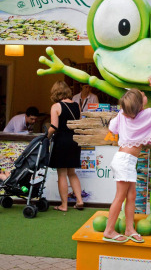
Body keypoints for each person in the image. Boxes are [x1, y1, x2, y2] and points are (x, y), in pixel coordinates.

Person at [103, 75, 151, 243]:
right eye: (143, 95)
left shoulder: (122, 115)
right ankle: (109, 230)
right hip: (125, 161)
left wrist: (122, 115)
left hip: (125, 159)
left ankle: (129, 228)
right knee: (120, 196)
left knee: (131, 195)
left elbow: (112, 128)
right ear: (141, 105)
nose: (145, 94)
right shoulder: (146, 115)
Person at [47, 81, 84, 212]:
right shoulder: (76, 105)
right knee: (72, 173)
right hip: (74, 140)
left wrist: (46, 136)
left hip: (61, 140)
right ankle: (79, 200)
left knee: (62, 174)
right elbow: (77, 123)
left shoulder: (56, 106)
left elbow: (54, 127)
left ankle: (64, 205)